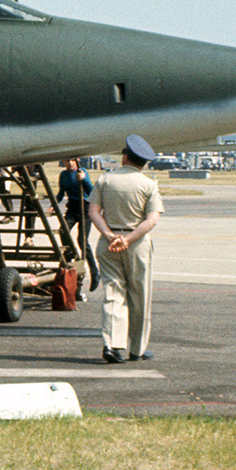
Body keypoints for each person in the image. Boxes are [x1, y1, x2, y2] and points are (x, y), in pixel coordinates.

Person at [88, 135, 163, 363]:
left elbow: (93, 212)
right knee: (140, 294)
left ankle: (111, 344)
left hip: (109, 243)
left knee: (113, 293)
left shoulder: (105, 180)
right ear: (143, 163)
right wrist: (128, 239)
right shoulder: (148, 185)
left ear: (125, 157)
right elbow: (152, 219)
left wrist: (110, 235)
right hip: (137, 243)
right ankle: (137, 349)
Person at [56, 157, 96, 295]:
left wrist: (84, 179)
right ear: (64, 162)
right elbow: (61, 192)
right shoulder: (64, 175)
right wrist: (53, 204)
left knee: (82, 241)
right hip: (72, 208)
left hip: (85, 209)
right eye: (67, 161)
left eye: (73, 160)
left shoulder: (82, 171)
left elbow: (91, 191)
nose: (71, 163)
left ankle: (95, 272)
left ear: (77, 161)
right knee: (63, 230)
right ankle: (70, 253)